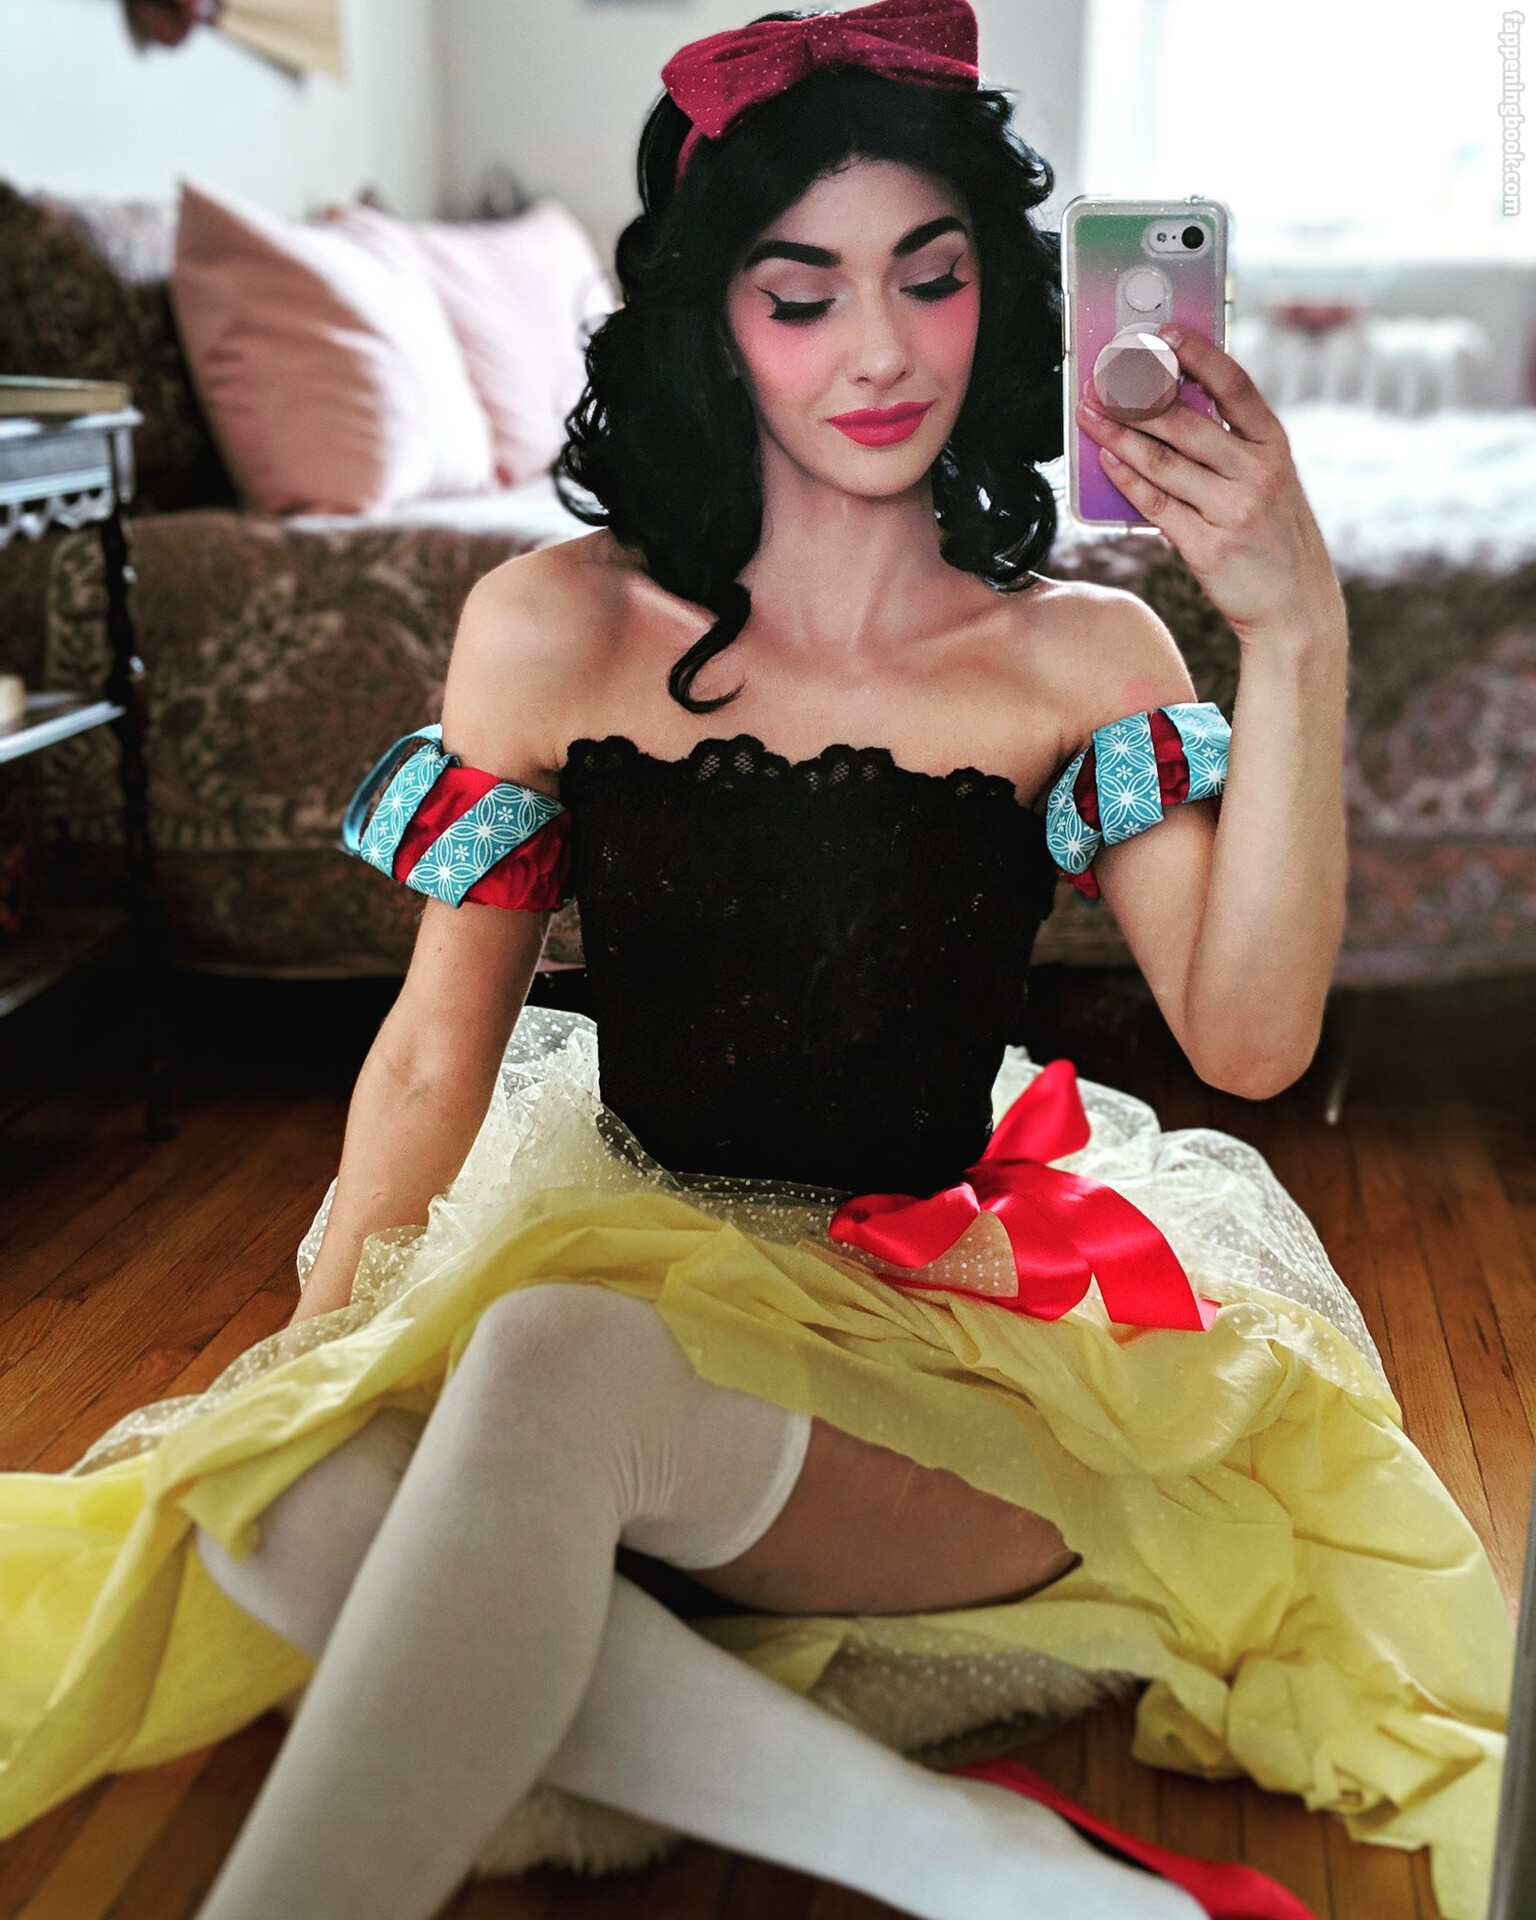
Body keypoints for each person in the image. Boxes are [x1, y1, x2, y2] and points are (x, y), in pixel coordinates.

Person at [0, 6, 1510, 1920]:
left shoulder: (1081, 654)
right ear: (713, 323)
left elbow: (1255, 1039)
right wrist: (312, 1355)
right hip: (634, 1270)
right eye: (803, 296)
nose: (879, 351)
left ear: (997, 297)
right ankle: (965, 1860)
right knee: (279, 1495)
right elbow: (434, 1057)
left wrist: (1296, 633)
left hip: (961, 1365)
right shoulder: (549, 626)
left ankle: (543, 1754)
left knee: (552, 1363)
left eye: (930, 279)